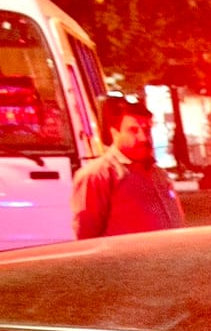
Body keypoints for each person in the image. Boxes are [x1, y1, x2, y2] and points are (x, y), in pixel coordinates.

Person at [72, 97, 182, 239]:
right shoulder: (97, 175)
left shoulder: (158, 173)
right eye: (133, 130)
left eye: (147, 129)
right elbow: (86, 235)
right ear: (114, 132)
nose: (143, 137)